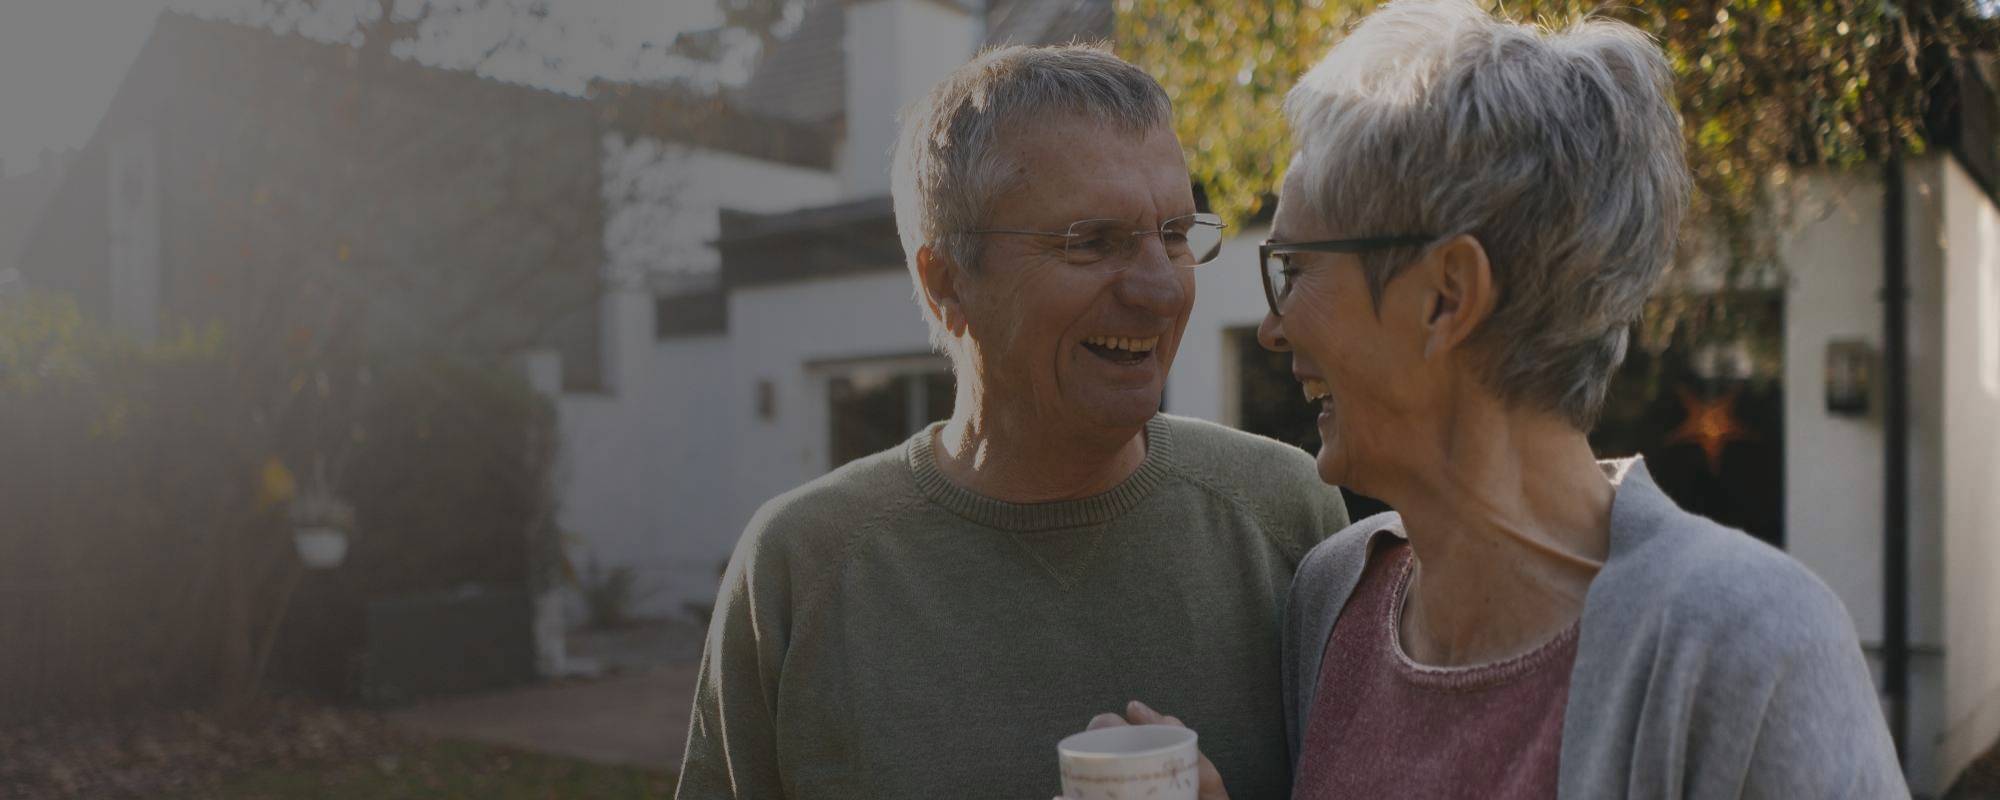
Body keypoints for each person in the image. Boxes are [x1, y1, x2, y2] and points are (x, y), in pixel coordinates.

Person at [1089, 1, 1906, 797]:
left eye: (1294, 269)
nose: (1273, 328)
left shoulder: (1753, 647)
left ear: (1447, 296)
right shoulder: (1335, 598)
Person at [674, 43, 1350, 800]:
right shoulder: (799, 566)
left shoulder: (1289, 516)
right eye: (1093, 242)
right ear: (947, 282)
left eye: (1174, 234)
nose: (1162, 291)